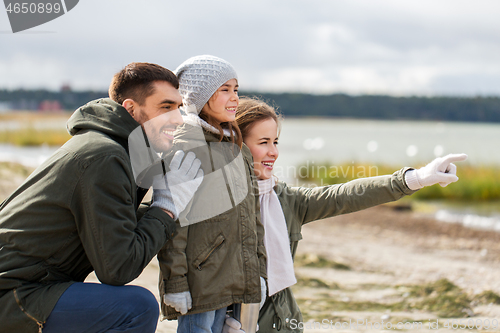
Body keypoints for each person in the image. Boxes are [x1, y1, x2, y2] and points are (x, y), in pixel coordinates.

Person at [223, 97, 467, 333]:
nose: (274, 152)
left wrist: (418, 178)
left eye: (275, 142)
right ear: (237, 144)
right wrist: (219, 320)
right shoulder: (218, 204)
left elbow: (345, 195)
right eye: (263, 142)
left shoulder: (287, 200)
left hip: (287, 324)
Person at [0, 62, 203, 333]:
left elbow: (115, 227)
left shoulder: (111, 147)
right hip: (15, 294)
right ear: (131, 109)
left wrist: (164, 200)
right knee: (137, 306)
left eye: (179, 108)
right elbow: (118, 268)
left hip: (29, 285)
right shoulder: (105, 157)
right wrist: (166, 208)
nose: (177, 119)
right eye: (165, 107)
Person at [156, 55, 267, 333]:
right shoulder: (185, 147)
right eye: (224, 90)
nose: (234, 98)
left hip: (231, 277)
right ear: (199, 97)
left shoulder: (236, 147)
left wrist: (258, 273)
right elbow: (172, 223)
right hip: (200, 280)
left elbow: (252, 216)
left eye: (236, 89)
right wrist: (176, 283)